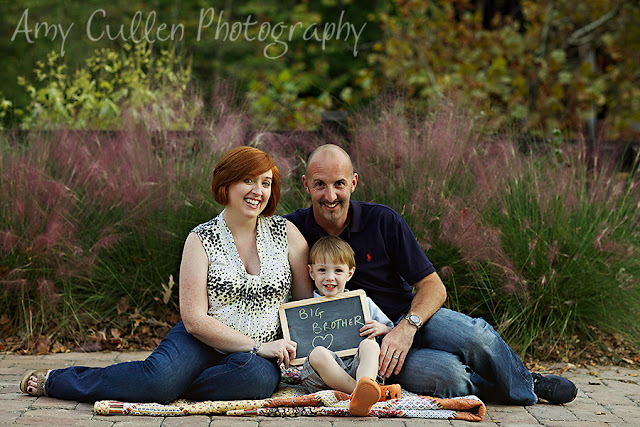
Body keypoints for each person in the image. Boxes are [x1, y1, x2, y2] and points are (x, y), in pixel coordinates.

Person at [285, 144, 577, 405]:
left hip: (411, 317)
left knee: (476, 335)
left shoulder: (383, 220)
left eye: (339, 184)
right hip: (361, 350)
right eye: (320, 185)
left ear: (354, 182)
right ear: (306, 185)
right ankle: (491, 387)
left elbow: (433, 287)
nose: (331, 196)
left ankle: (527, 383)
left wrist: (406, 328)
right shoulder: (291, 230)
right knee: (449, 376)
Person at [20, 146, 314, 403]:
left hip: (255, 358)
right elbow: (194, 319)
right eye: (248, 180)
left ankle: (166, 388)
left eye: (266, 183)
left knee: (256, 381)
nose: (258, 191)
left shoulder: (287, 234)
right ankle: (59, 380)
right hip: (202, 341)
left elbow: (304, 308)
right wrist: (258, 346)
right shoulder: (201, 239)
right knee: (158, 380)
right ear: (226, 184)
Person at [300, 235, 401, 416]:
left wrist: (382, 329)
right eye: (322, 270)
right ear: (311, 272)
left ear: (350, 273)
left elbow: (392, 330)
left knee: (370, 345)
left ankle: (364, 389)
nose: (330, 278)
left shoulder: (362, 303)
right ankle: (362, 394)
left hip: (360, 369)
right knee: (317, 353)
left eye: (338, 270)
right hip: (323, 377)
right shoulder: (303, 310)